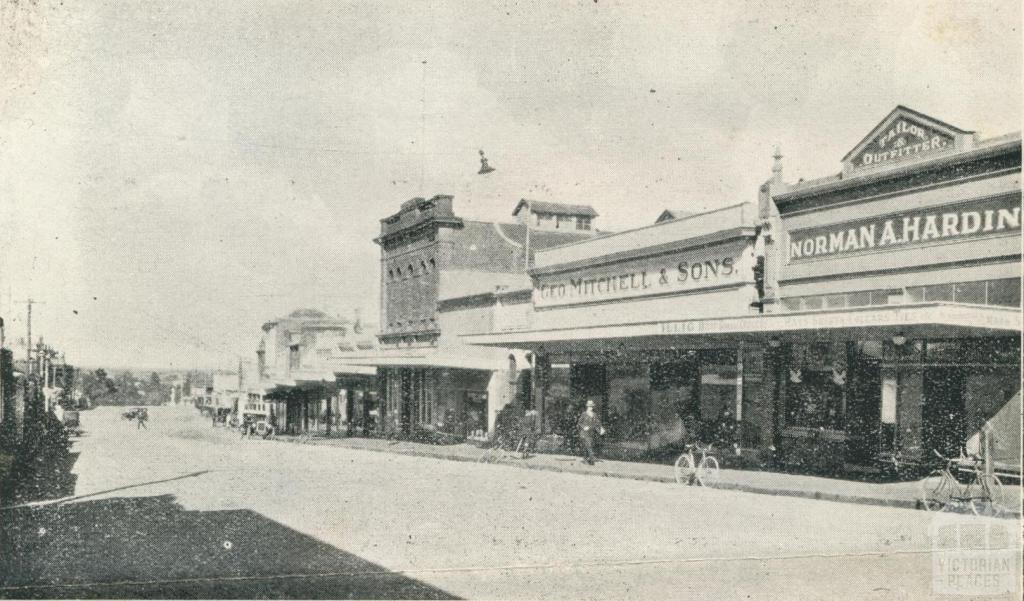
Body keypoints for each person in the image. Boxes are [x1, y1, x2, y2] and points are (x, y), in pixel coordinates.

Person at [576, 400, 605, 465]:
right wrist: (584, 427)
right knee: (588, 445)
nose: (590, 407)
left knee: (588, 445)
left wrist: (601, 428)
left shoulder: (594, 414)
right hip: (584, 433)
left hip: (591, 433)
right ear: (587, 406)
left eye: (592, 406)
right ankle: (592, 459)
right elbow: (579, 423)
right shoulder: (584, 414)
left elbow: (598, 422)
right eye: (589, 406)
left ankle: (585, 459)